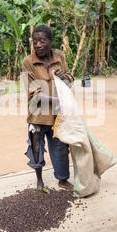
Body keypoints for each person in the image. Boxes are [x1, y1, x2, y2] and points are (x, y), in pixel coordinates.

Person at [22, 25, 74, 192]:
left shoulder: (59, 57)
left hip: (57, 115)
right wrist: (57, 101)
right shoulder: (28, 62)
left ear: (50, 42)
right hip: (38, 115)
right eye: (34, 41)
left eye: (42, 41)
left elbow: (69, 79)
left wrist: (63, 77)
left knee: (60, 146)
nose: (37, 45)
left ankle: (62, 180)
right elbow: (34, 93)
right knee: (36, 147)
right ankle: (39, 181)